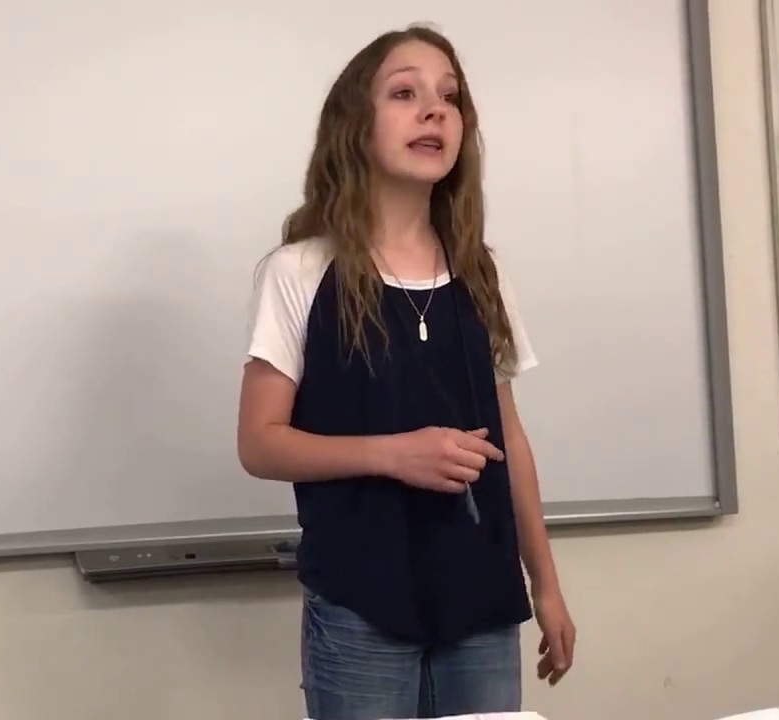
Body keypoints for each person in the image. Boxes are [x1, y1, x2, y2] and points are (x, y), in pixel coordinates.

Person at [236, 24, 577, 719]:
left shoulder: (482, 273)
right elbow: (260, 443)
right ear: (356, 125)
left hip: (482, 604)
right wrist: (394, 455)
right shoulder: (300, 271)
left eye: (450, 98)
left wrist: (545, 583)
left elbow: (510, 440)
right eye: (404, 93)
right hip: (360, 606)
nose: (434, 111)